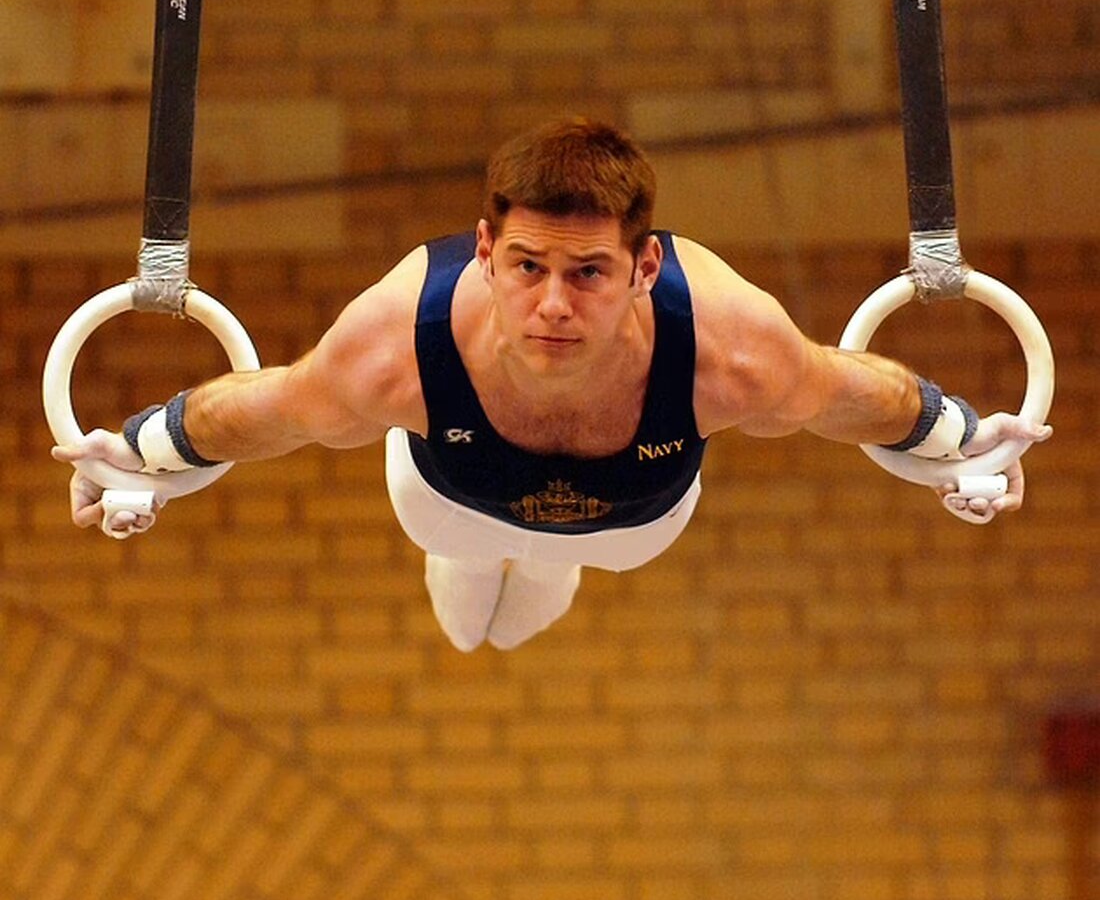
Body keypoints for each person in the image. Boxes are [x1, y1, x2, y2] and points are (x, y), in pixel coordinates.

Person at [52, 119, 1052, 651]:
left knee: (530, 601)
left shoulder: (729, 350)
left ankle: (549, 566)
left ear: (646, 269)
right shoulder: (394, 348)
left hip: (630, 528)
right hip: (447, 503)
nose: (553, 306)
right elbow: (261, 412)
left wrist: (960, 435)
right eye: (526, 267)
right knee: (466, 609)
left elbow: (855, 396)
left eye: (587, 274)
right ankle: (501, 562)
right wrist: (134, 455)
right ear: (483, 252)